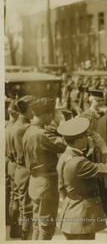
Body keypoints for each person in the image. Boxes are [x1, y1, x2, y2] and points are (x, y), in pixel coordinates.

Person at [56, 117, 107, 240]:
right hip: (82, 218)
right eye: (85, 136)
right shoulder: (79, 162)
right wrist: (104, 148)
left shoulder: (64, 156)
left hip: (69, 212)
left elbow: (61, 188)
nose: (88, 139)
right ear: (78, 141)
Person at [22, 98, 67, 240]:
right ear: (45, 115)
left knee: (38, 223)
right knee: (47, 227)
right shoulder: (42, 134)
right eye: (52, 114)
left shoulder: (30, 130)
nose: (54, 117)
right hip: (46, 182)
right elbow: (67, 145)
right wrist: (63, 124)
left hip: (35, 181)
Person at [11, 96, 36, 240]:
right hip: (25, 171)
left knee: (21, 206)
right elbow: (22, 157)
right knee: (27, 209)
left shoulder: (14, 125)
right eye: (33, 109)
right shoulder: (24, 128)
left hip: (19, 171)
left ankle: (19, 234)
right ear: (29, 109)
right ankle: (25, 239)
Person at [5, 100, 20, 238]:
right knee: (16, 198)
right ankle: (15, 228)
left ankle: (12, 225)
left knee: (12, 197)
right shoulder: (16, 129)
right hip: (16, 165)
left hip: (9, 165)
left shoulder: (6, 127)